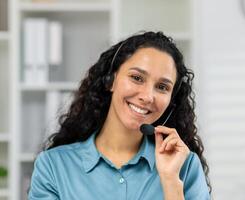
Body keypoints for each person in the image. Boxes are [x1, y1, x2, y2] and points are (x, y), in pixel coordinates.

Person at [29, 31, 211, 200]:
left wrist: (171, 183)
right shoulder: (52, 166)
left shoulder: (184, 166)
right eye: (137, 78)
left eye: (162, 87)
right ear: (111, 80)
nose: (147, 97)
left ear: (171, 101)